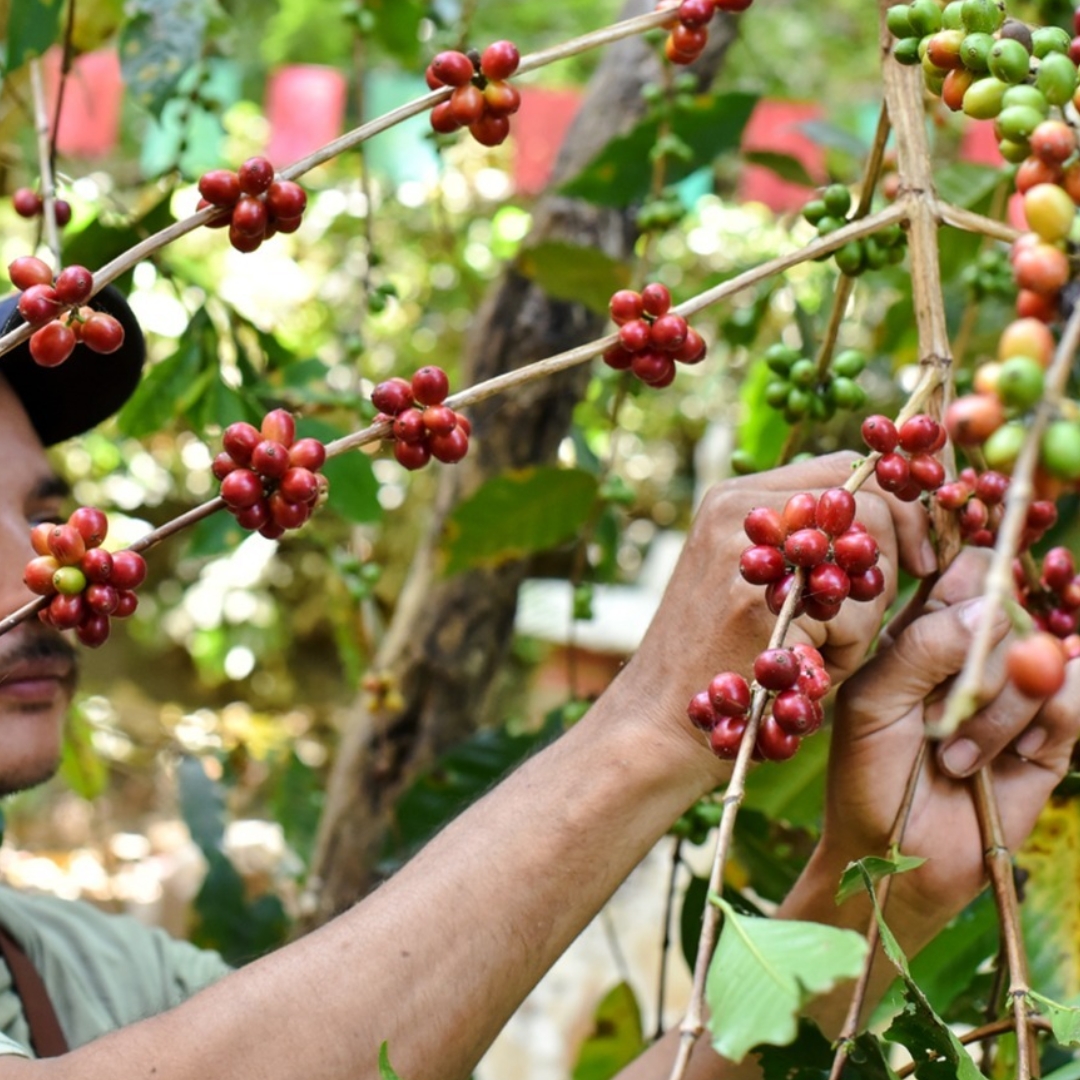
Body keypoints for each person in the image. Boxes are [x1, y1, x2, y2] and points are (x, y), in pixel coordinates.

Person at [0, 289, 1076, 1080]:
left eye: (42, 513)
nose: (43, 573)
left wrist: (869, 887)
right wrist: (649, 728)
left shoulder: (66, 968)